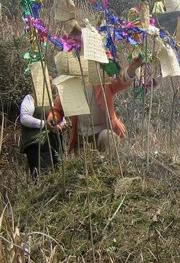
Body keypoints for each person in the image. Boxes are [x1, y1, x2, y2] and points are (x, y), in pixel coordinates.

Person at [48, 23, 145, 153]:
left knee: (107, 137)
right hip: (81, 139)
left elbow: (121, 81)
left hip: (103, 133)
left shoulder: (102, 79)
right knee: (82, 162)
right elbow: (58, 109)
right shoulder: (71, 84)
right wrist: (52, 119)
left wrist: (132, 69)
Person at [19, 91, 66, 178]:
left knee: (57, 175)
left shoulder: (53, 100)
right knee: (43, 177)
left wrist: (61, 124)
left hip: (53, 143)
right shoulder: (30, 98)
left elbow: (60, 117)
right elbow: (24, 118)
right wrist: (44, 124)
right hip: (37, 144)